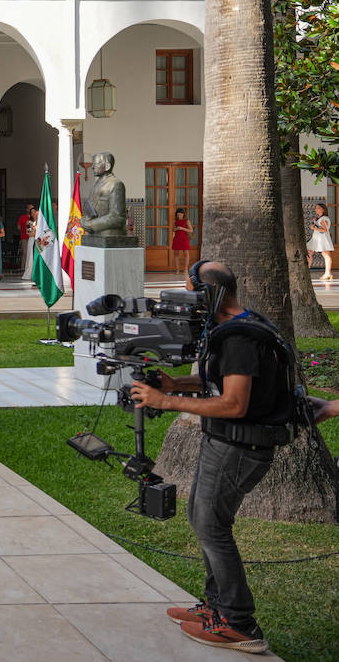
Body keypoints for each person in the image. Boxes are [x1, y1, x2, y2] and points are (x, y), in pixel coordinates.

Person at [129, 261, 297, 654]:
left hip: (240, 446)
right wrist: (179, 383)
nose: (185, 304)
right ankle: (216, 608)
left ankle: (238, 623)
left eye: (190, 294)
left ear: (209, 295)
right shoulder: (244, 324)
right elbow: (221, 381)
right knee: (202, 518)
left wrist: (167, 400)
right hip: (226, 442)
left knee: (211, 526)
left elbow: (236, 403)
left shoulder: (239, 339)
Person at [308, 203, 333, 281]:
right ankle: (307, 270)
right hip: (317, 239)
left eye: (318, 208)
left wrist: (313, 228)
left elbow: (325, 230)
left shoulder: (323, 219)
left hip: (322, 239)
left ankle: (328, 273)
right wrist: (315, 222)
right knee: (309, 252)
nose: (316, 209)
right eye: (316, 208)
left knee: (326, 255)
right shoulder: (322, 218)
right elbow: (321, 227)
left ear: (323, 209)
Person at [170, 207, 195, 276]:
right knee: (176, 255)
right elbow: (173, 230)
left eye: (180, 215)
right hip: (177, 238)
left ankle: (185, 269)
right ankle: (177, 270)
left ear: (183, 214)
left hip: (184, 239)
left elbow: (191, 230)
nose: (179, 216)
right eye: (178, 215)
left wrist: (182, 228)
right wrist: (176, 229)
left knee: (186, 254)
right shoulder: (174, 221)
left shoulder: (187, 221)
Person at [18, 203, 36, 280]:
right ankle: (29, 272)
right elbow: (28, 232)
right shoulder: (29, 222)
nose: (34, 214)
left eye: (35, 213)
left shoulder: (41, 222)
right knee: (30, 256)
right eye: (32, 213)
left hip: (38, 241)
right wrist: (36, 233)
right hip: (32, 240)